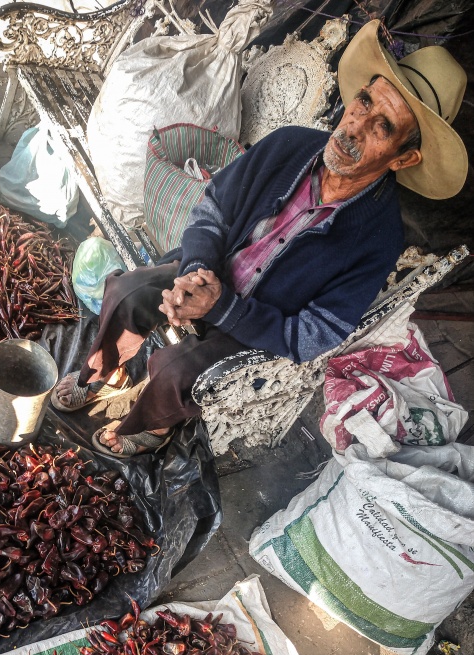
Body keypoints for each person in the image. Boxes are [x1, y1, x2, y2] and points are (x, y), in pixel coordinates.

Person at [52, 20, 468, 458]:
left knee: (174, 369)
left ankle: (151, 425)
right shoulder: (291, 145)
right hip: (211, 271)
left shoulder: (380, 237)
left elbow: (313, 335)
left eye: (382, 127)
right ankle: (107, 372)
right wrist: (195, 272)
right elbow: (213, 207)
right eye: (364, 102)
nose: (354, 127)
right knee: (126, 290)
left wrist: (224, 308)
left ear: (404, 157)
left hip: (255, 326)